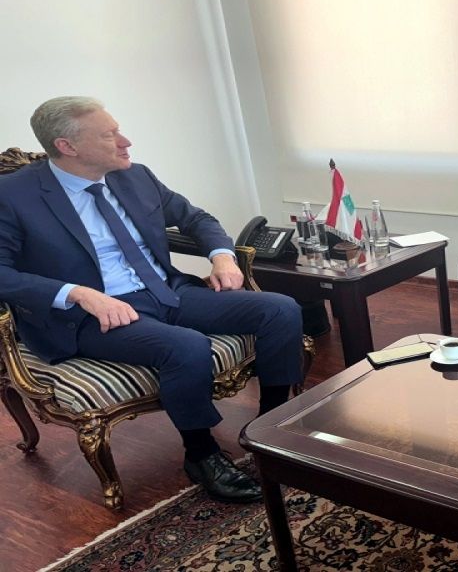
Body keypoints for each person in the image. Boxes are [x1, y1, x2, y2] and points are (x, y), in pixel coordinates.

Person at [0, 97, 304, 503]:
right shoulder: (13, 195)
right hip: (90, 315)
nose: (125, 141)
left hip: (166, 291)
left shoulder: (135, 175)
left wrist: (222, 256)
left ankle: (271, 425)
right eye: (109, 135)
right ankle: (201, 455)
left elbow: (196, 218)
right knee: (186, 346)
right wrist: (77, 293)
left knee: (280, 309)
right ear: (67, 146)